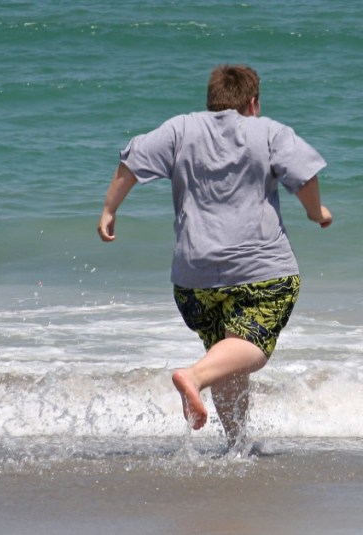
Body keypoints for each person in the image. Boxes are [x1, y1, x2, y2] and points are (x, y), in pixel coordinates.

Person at [97, 64, 332, 448]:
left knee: (227, 355)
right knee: (250, 345)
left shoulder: (180, 129)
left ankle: (237, 445)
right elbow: (304, 174)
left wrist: (109, 210)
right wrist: (316, 213)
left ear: (211, 102)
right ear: (252, 103)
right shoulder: (270, 131)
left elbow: (133, 161)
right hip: (262, 272)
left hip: (194, 280)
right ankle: (194, 378)